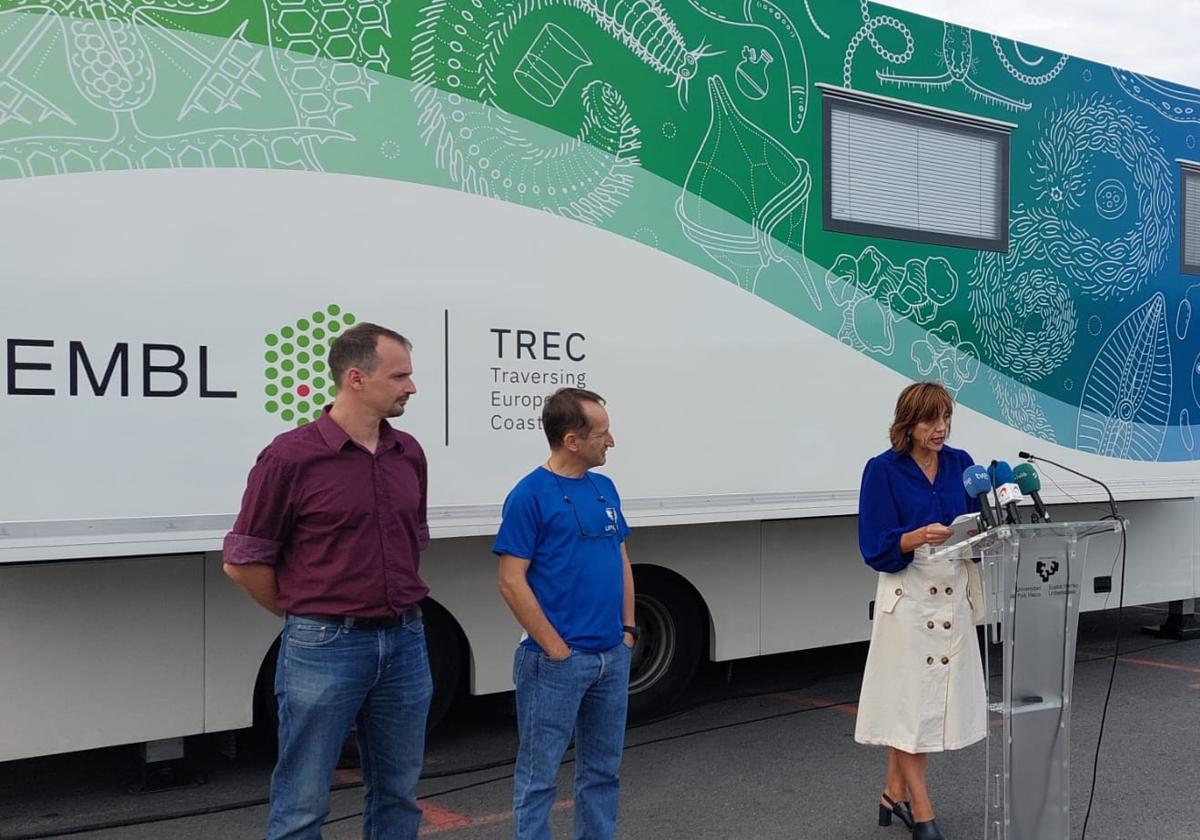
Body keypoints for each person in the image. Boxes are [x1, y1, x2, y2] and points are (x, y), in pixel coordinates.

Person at [223, 323, 432, 840]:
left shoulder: (409, 453)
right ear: (356, 378)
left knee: (399, 795)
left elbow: (412, 542)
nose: (412, 386)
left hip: (406, 640)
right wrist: (308, 617)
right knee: (302, 801)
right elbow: (244, 559)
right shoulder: (290, 457)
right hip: (323, 646)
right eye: (400, 375)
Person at [494, 387, 637, 840]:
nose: (611, 441)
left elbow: (622, 559)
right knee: (539, 780)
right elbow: (510, 581)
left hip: (610, 656)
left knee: (602, 773)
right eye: (602, 433)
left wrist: (628, 631)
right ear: (572, 440)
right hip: (554, 662)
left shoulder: (604, 487)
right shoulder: (529, 495)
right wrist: (556, 649)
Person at [854, 381, 987, 840]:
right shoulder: (882, 470)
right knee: (911, 707)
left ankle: (892, 793)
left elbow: (978, 525)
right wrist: (915, 537)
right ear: (908, 424)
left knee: (916, 706)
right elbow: (873, 546)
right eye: (931, 420)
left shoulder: (962, 464)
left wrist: (980, 531)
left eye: (946, 417)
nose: (941, 428)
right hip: (908, 601)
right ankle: (923, 812)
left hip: (951, 598)